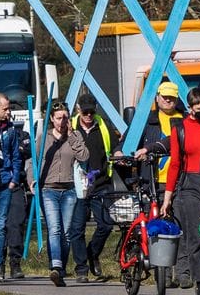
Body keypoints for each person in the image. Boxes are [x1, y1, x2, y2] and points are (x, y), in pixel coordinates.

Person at [163, 87, 200, 295]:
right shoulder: (180, 128)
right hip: (189, 185)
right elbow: (175, 164)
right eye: (199, 108)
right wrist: (168, 198)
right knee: (195, 236)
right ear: (190, 108)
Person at [68, 94, 120, 283]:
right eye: (85, 111)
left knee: (106, 224)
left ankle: (92, 253)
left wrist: (118, 152)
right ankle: (81, 269)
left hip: (100, 184)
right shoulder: (70, 126)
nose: (89, 115)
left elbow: (114, 147)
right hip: (78, 185)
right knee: (77, 229)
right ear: (78, 110)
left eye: (92, 111)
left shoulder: (103, 125)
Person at [39, 100, 90, 287]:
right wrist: (31, 179)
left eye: (66, 117)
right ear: (52, 119)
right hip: (49, 189)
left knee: (66, 233)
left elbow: (84, 156)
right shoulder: (44, 138)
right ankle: (57, 266)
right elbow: (33, 161)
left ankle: (60, 267)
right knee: (55, 229)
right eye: (59, 118)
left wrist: (71, 135)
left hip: (69, 190)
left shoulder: (74, 135)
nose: (62, 121)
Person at [0, 92, 24, 282]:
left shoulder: (10, 130)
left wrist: (14, 179)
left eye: (9, 108)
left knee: (2, 226)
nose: (9, 112)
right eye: (5, 109)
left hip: (6, 182)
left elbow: (16, 157)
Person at [135, 80, 186, 190]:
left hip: (181, 181)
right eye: (164, 96)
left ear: (177, 100)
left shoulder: (186, 120)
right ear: (157, 98)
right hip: (153, 182)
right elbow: (128, 142)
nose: (168, 100)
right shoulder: (145, 120)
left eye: (171, 97)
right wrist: (119, 151)